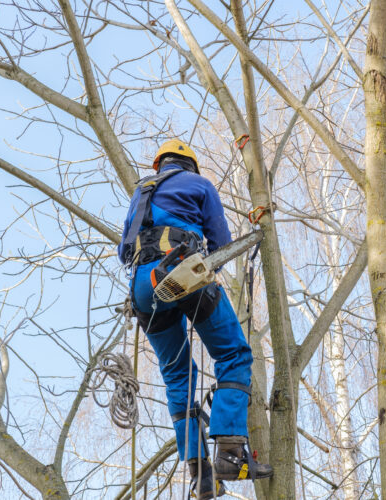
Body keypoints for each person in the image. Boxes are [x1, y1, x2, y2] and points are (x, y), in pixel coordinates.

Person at [118, 139, 272, 499]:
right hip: (181, 269)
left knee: (176, 376)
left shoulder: (141, 191)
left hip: (142, 285)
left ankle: (199, 473)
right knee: (234, 355)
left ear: (160, 165)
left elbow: (125, 249)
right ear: (191, 165)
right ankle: (232, 455)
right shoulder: (200, 185)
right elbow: (220, 242)